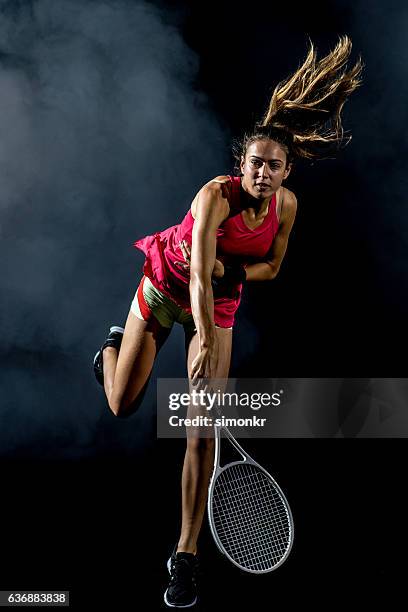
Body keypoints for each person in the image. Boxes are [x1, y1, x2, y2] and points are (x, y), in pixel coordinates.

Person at [93, 35, 362, 608]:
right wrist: (203, 339)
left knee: (201, 429)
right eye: (256, 163)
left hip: (219, 299)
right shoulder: (215, 195)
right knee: (122, 403)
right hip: (167, 284)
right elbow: (192, 280)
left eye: (275, 166)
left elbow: (269, 268)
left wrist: (225, 272)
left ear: (287, 173)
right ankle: (109, 352)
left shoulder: (286, 207)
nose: (264, 172)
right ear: (241, 165)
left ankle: (183, 558)